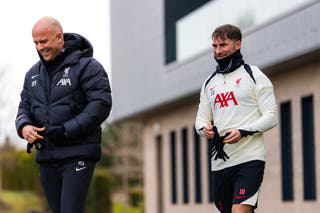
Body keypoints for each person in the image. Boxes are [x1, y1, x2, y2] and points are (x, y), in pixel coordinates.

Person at [15, 16, 112, 213]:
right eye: (35, 42)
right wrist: (24, 127)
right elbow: (24, 108)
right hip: (47, 156)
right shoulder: (32, 75)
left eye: (44, 41)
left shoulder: (88, 66)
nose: (39, 47)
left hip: (78, 154)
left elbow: (101, 104)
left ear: (59, 37)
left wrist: (65, 131)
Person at [195, 24, 278, 213]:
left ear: (238, 44)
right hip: (220, 164)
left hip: (249, 159)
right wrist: (204, 129)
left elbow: (272, 117)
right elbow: (200, 121)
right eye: (214, 47)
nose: (218, 51)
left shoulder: (254, 75)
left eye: (223, 45)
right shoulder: (209, 83)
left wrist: (243, 132)